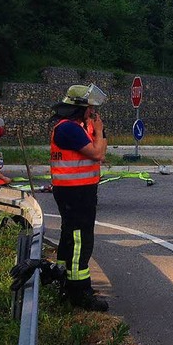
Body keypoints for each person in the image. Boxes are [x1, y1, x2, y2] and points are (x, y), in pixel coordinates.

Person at [50, 83, 108, 311]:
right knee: (79, 241)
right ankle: (79, 291)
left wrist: (95, 131)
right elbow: (98, 154)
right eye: (90, 108)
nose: (92, 113)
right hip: (75, 192)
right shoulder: (69, 129)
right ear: (79, 108)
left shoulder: (74, 128)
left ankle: (64, 281)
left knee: (70, 237)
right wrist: (100, 131)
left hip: (77, 190)